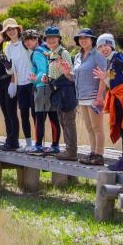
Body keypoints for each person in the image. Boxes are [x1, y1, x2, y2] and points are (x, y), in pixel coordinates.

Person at [92, 33, 123, 171]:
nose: (103, 49)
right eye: (100, 47)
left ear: (111, 45)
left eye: (106, 45)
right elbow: (112, 83)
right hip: (117, 96)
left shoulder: (118, 57)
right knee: (121, 125)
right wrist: (104, 78)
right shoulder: (110, 61)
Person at [21, 29, 61, 154]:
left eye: (31, 39)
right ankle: (55, 146)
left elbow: (42, 71)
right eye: (26, 40)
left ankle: (38, 146)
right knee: (53, 117)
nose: (28, 42)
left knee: (39, 117)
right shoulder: (46, 49)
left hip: (42, 87)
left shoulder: (37, 52)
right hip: (52, 87)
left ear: (37, 39)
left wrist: (34, 79)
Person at [72, 28, 107, 166]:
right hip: (82, 97)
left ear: (92, 40)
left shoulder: (97, 55)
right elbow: (75, 76)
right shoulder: (77, 57)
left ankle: (99, 155)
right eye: (80, 38)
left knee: (97, 127)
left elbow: (103, 77)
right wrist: (66, 72)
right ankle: (93, 153)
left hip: (94, 96)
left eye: (86, 38)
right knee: (89, 128)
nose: (83, 40)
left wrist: (99, 97)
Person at [44, 27, 79, 161]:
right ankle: (68, 149)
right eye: (48, 38)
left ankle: (72, 151)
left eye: (54, 37)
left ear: (59, 39)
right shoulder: (52, 53)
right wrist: (48, 78)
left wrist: (63, 72)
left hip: (66, 90)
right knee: (63, 121)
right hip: (57, 91)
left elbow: (70, 75)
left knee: (68, 121)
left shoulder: (62, 53)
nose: (51, 40)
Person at [2, 18, 36, 152]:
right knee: (23, 115)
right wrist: (8, 69)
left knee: (35, 114)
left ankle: (38, 144)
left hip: (32, 83)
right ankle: (28, 144)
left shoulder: (25, 42)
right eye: (8, 30)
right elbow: (10, 70)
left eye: (13, 28)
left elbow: (35, 57)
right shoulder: (8, 48)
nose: (11, 31)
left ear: (17, 29)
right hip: (20, 85)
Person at [0, 22, 20, 151]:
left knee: (11, 112)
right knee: (6, 113)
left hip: (9, 81)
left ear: (2, 33)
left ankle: (14, 141)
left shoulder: (7, 45)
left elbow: (13, 66)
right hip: (0, 83)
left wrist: (13, 82)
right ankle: (9, 140)